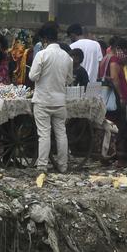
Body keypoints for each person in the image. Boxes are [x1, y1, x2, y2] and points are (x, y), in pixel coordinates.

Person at [28, 23, 73, 173]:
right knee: (61, 133)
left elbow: (32, 76)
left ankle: (42, 166)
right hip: (60, 101)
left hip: (43, 100)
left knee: (44, 134)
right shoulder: (67, 57)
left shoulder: (42, 54)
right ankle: (63, 165)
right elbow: (69, 79)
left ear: (45, 39)